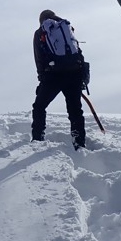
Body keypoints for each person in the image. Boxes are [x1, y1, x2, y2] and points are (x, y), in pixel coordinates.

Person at [31, 9, 86, 149]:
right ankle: (79, 141)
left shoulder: (41, 32)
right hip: (74, 73)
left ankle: (38, 138)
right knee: (75, 110)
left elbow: (39, 58)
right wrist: (82, 76)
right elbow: (78, 52)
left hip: (53, 75)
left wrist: (42, 78)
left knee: (39, 106)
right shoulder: (66, 28)